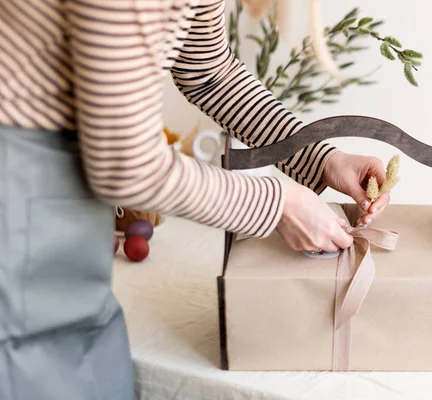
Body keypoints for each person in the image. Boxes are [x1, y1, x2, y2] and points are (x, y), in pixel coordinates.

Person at [0, 1, 390, 398]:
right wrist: (278, 204)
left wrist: (321, 159)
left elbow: (209, 74)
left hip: (63, 193)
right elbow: (126, 163)